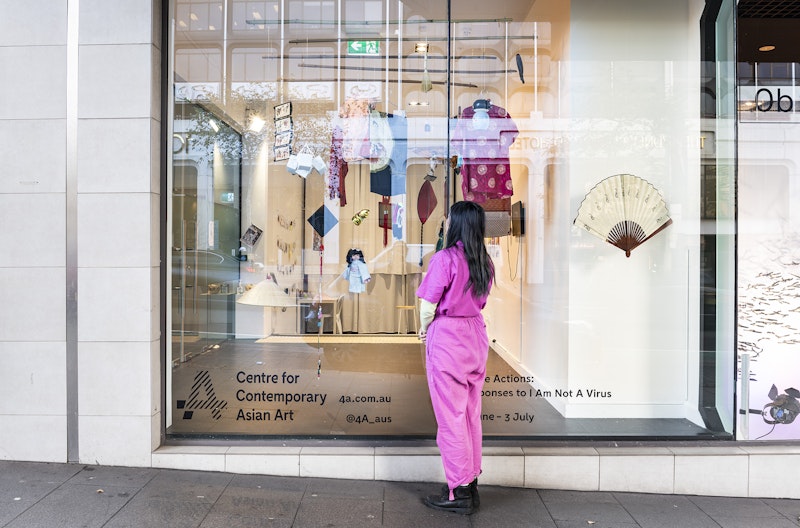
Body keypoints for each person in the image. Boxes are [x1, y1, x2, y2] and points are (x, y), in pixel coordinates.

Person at [416, 200, 494, 515]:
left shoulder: (444, 258)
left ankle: (459, 491)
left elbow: (427, 306)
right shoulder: (485, 262)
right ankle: (471, 482)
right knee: (470, 414)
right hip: (475, 336)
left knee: (450, 418)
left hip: (448, 338)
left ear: (455, 224)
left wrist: (423, 329)